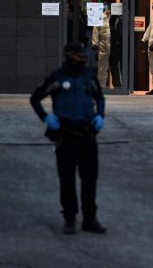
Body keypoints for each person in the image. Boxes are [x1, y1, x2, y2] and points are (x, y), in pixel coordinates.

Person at [29, 42, 107, 235]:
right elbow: (35, 98)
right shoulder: (57, 78)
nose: (82, 59)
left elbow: (100, 98)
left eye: (83, 56)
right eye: (79, 56)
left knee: (90, 180)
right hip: (65, 137)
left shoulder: (89, 77)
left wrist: (101, 115)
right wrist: (46, 118)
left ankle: (90, 219)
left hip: (87, 136)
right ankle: (70, 219)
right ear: (70, 56)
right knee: (67, 180)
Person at [92, 0, 111, 88]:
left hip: (115, 46)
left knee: (115, 67)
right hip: (103, 46)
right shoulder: (100, 16)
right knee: (102, 67)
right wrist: (95, 43)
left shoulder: (117, 16)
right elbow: (95, 30)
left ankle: (118, 87)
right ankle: (102, 86)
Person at [107, 0, 123, 89]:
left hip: (117, 44)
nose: (107, 7)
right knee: (115, 64)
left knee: (114, 64)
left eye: (108, 5)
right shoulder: (116, 15)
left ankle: (118, 85)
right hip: (117, 44)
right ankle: (118, 85)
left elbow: (118, 32)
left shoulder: (116, 16)